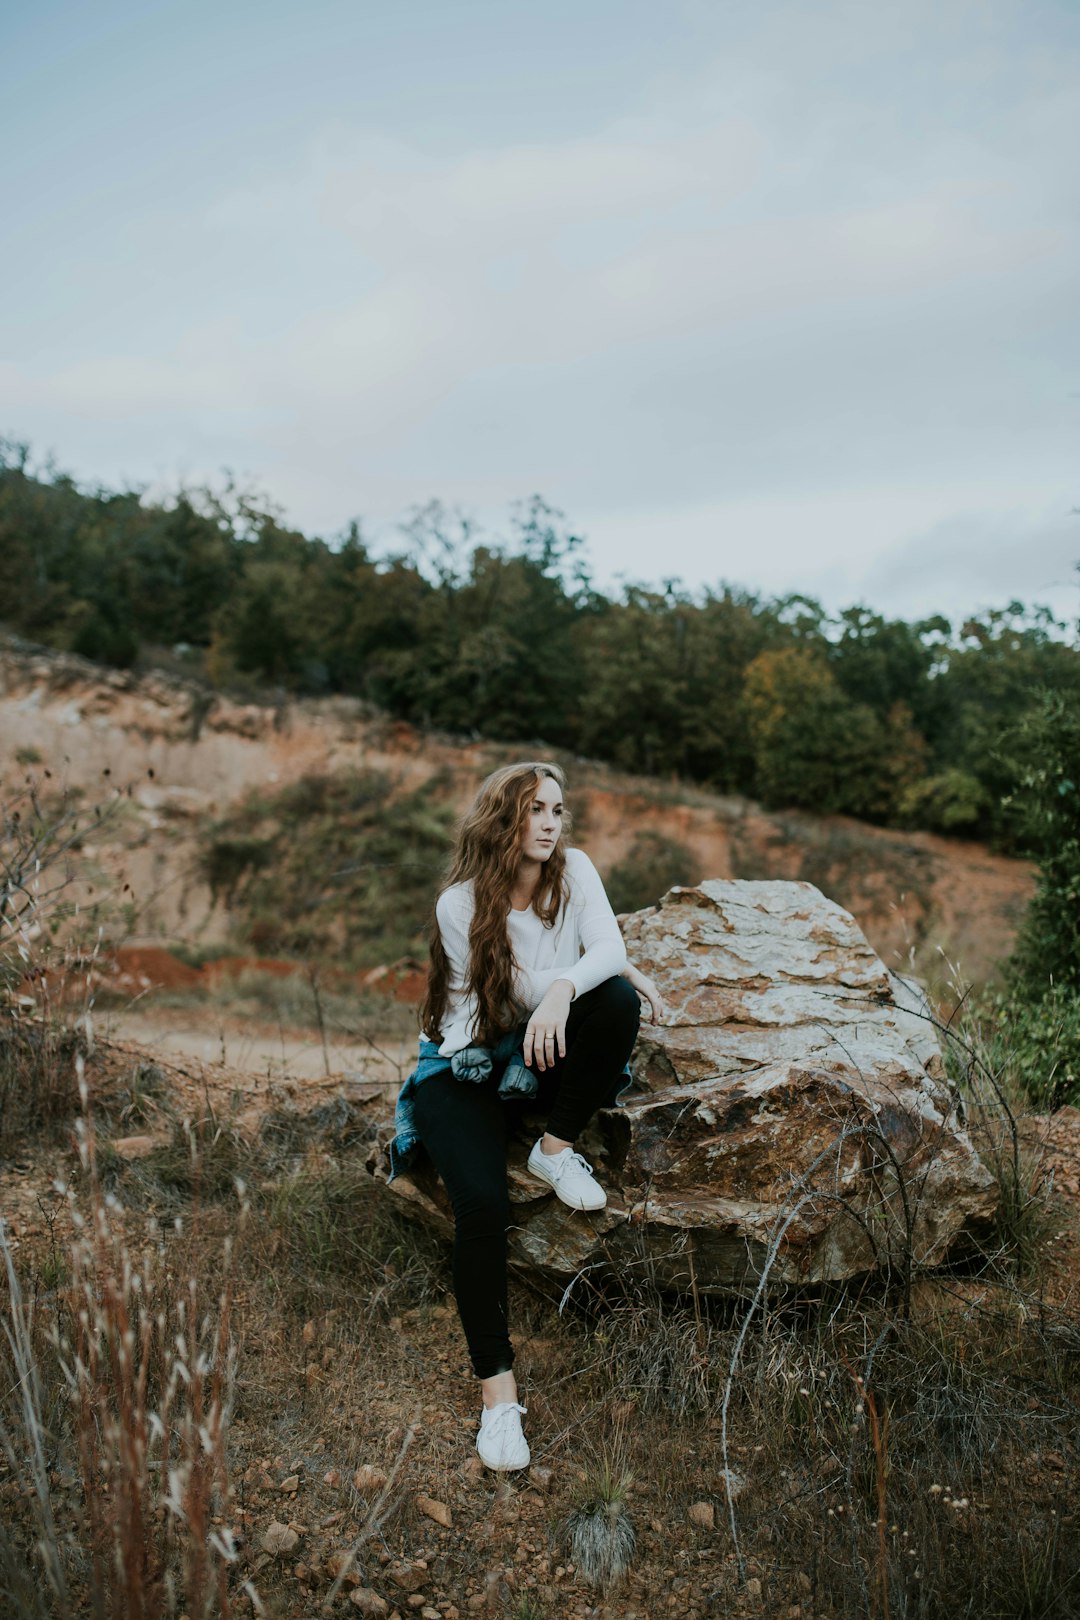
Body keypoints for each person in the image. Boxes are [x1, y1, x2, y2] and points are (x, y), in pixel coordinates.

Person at [394, 760, 664, 1472]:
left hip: (534, 1055)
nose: (550, 824)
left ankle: (554, 1146)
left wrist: (588, 977)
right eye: (536, 810)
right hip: (467, 1064)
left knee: (616, 1003)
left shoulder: (575, 872)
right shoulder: (460, 904)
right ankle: (499, 1400)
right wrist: (591, 971)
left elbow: (608, 950)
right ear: (503, 819)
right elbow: (506, 996)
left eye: (557, 810)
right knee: (481, 1206)